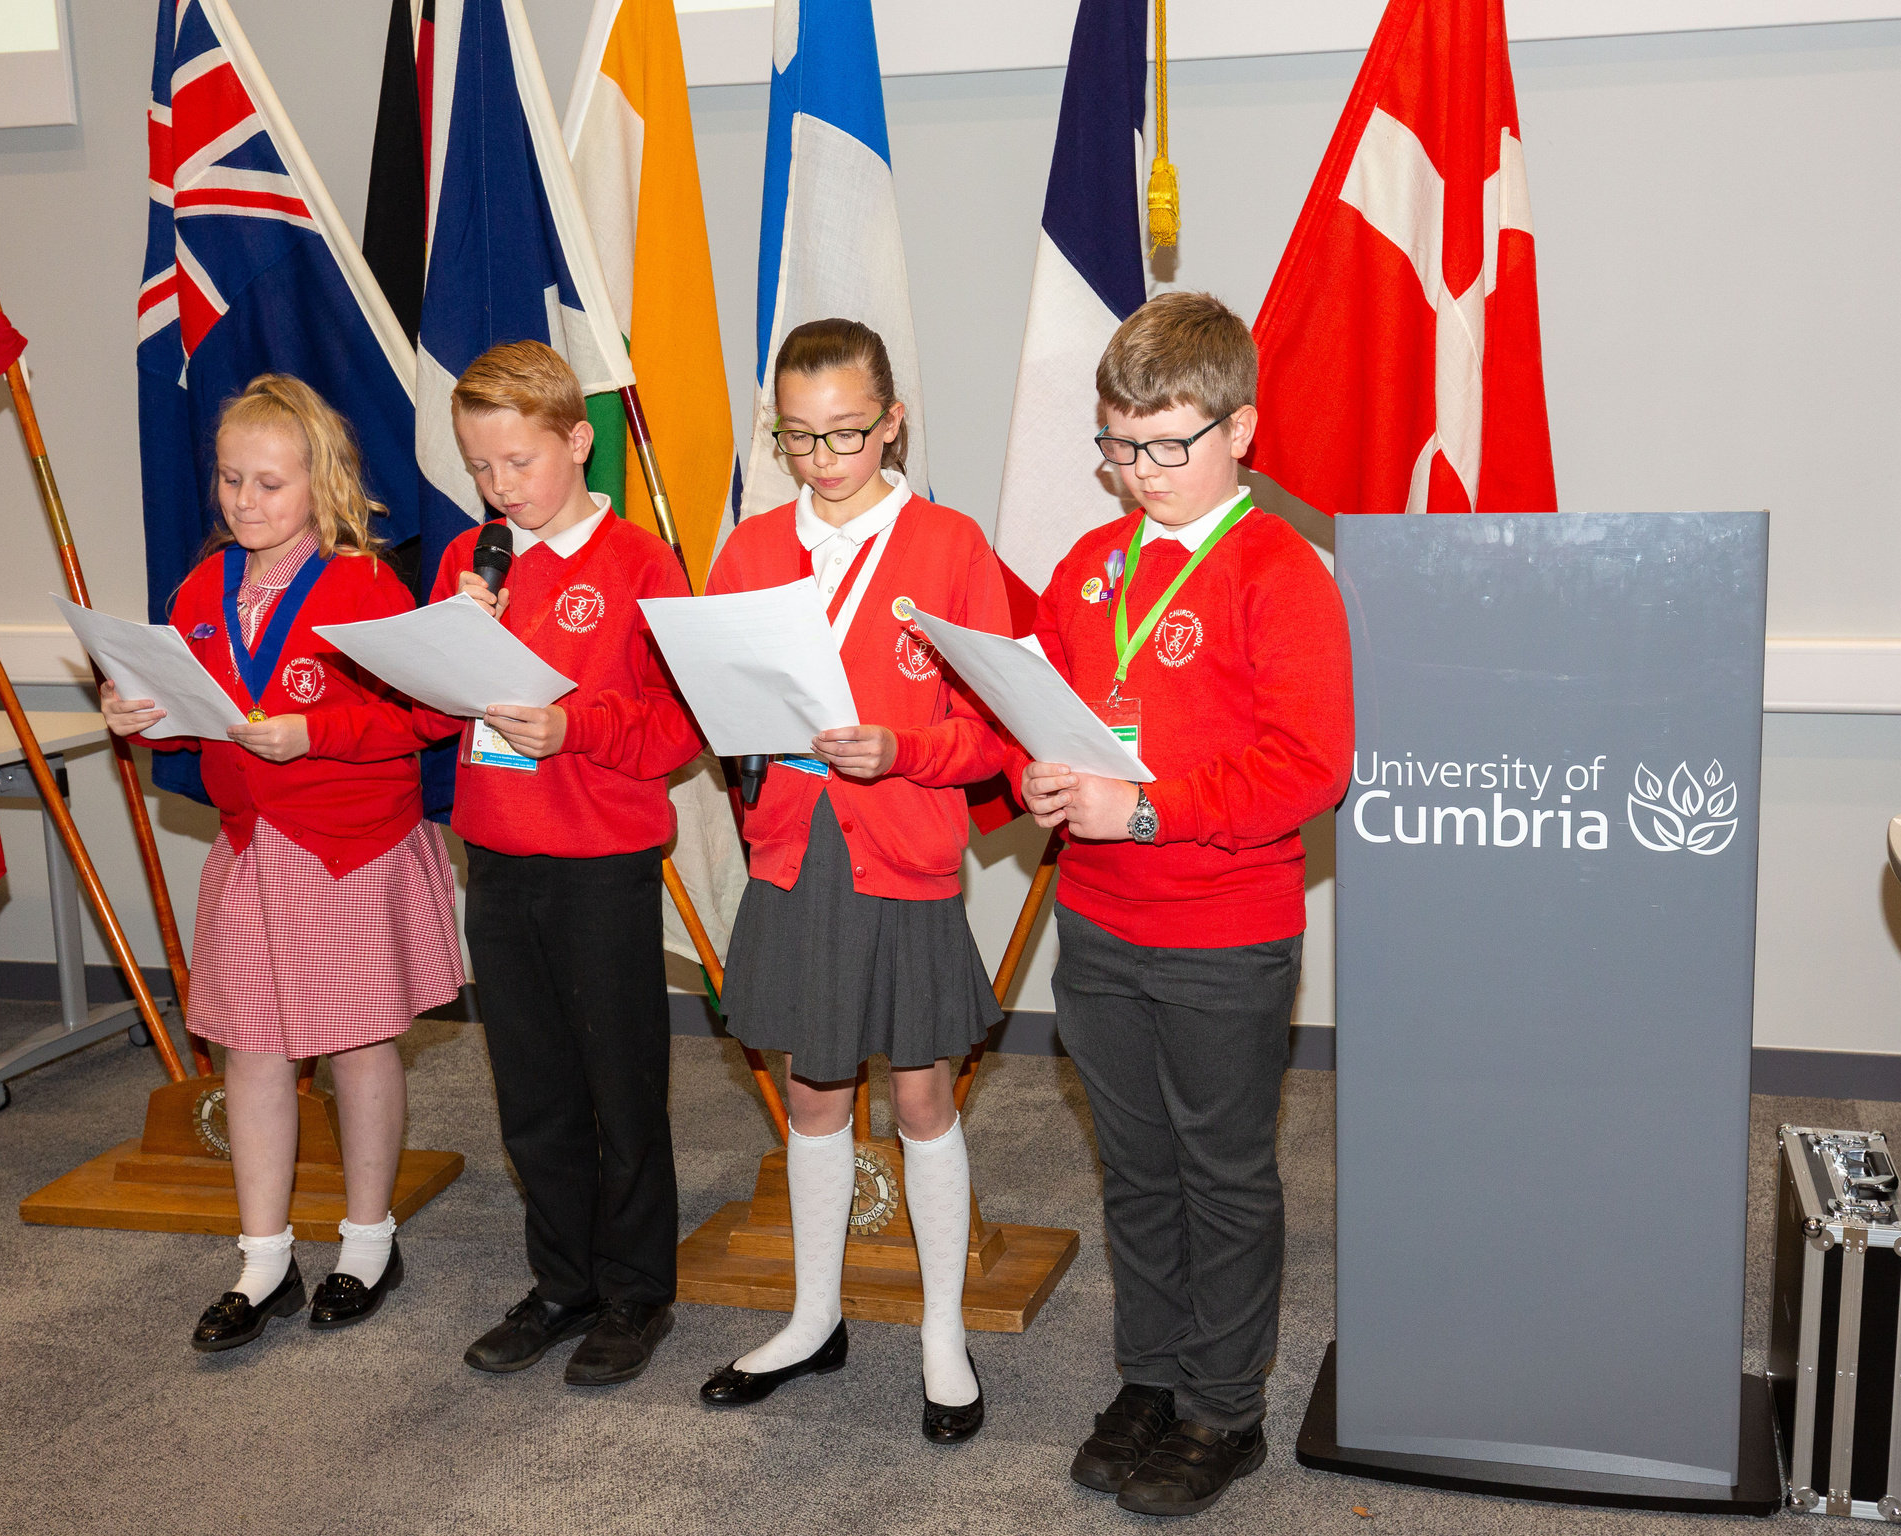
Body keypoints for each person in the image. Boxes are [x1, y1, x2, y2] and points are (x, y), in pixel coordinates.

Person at [1019, 292, 1353, 1515]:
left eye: (1168, 444)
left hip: (1224, 932)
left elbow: (1311, 766)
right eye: (1120, 446)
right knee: (1136, 1168)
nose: (1141, 472)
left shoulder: (1282, 571)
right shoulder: (1089, 564)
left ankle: (1226, 1407)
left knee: (1222, 1173)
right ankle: (1150, 1377)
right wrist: (1038, 774)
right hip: (1100, 926)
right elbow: (1034, 709)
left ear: (1241, 431)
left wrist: (1145, 809)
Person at [101, 373, 464, 1353]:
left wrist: (317, 734)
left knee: (355, 1045)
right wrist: (133, 711)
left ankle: (367, 1242)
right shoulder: (202, 587)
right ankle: (263, 1259)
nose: (245, 502)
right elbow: (186, 699)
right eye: (230, 481)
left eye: (269, 484)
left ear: (322, 483)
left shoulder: (364, 584)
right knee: (251, 1052)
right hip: (253, 846)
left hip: (346, 848)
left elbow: (421, 716)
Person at [697, 318, 1009, 1444]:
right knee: (816, 1094)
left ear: (893, 420)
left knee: (922, 1097)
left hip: (904, 848)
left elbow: (994, 735)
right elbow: (721, 711)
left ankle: (939, 1331)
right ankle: (813, 1315)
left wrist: (906, 750)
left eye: (846, 433)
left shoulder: (949, 546)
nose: (823, 458)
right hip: (795, 851)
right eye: (797, 436)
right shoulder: (747, 548)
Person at [434, 340, 704, 1388]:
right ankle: (562, 1281)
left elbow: (678, 725)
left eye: (521, 464)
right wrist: (454, 644)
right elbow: (427, 710)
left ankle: (637, 1292)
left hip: (601, 859)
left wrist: (572, 726)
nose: (502, 489)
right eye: (482, 469)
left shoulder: (640, 563)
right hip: (497, 855)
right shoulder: (477, 558)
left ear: (578, 442)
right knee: (532, 1088)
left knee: (617, 1084)